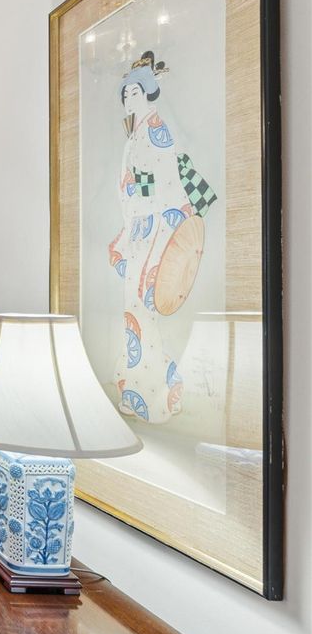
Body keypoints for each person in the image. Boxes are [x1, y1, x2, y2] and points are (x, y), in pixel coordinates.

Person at [107, 51, 216, 423]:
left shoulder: (156, 131)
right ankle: (137, 385)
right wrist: (124, 232)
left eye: (135, 92)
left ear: (148, 94)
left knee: (143, 307)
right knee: (133, 311)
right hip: (139, 228)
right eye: (125, 94)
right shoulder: (133, 137)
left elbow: (161, 180)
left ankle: (160, 388)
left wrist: (138, 197)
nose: (129, 99)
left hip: (155, 226)